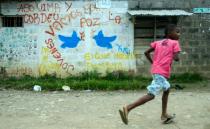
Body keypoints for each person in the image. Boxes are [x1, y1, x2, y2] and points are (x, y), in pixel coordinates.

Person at [119, 24, 181, 125]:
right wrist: (176, 54)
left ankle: (164, 114)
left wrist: (154, 63)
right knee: (151, 95)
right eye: (177, 32)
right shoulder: (175, 43)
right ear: (170, 33)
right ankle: (128, 108)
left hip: (156, 71)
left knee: (167, 89)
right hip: (161, 73)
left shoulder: (158, 42)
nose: (179, 34)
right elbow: (176, 58)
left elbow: (146, 52)